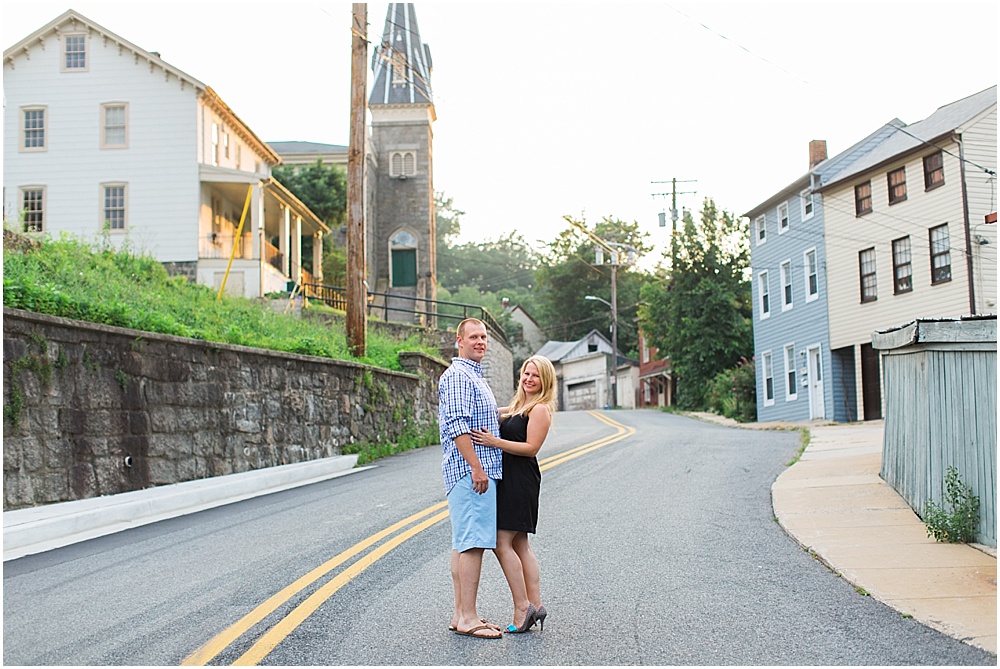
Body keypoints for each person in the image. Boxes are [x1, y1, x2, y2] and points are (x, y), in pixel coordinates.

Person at [471, 354, 556, 634]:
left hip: (521, 481)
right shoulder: (520, 405)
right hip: (511, 479)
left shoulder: (540, 409)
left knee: (500, 541)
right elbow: (493, 411)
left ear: (545, 381)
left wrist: (495, 442)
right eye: (526, 373)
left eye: (536, 376)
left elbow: (531, 448)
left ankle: (523, 608)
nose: (529, 379)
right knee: (520, 544)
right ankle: (536, 604)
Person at [438, 318, 504, 639]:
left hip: (472, 471)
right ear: (459, 340)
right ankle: (469, 617)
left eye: (484, 337)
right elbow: (458, 425)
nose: (480, 341)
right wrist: (477, 468)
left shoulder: (472, 375)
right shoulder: (459, 377)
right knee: (473, 544)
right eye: (474, 336)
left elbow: (483, 417)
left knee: (463, 543)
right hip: (471, 473)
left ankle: (460, 614)